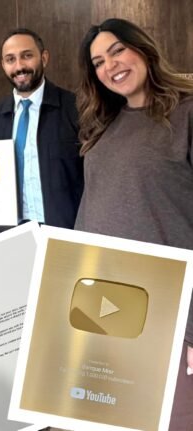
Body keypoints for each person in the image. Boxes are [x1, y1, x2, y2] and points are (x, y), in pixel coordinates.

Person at [74, 18, 193, 430]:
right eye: (98, 62)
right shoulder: (104, 125)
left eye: (117, 51)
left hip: (174, 310)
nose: (111, 66)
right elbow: (90, 211)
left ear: (142, 48)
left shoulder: (187, 114)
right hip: (109, 309)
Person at [0, 28, 83, 231]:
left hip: (64, 231)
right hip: (12, 232)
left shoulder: (75, 109)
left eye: (27, 56)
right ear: (3, 65)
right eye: (10, 59)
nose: (19, 66)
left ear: (44, 58)